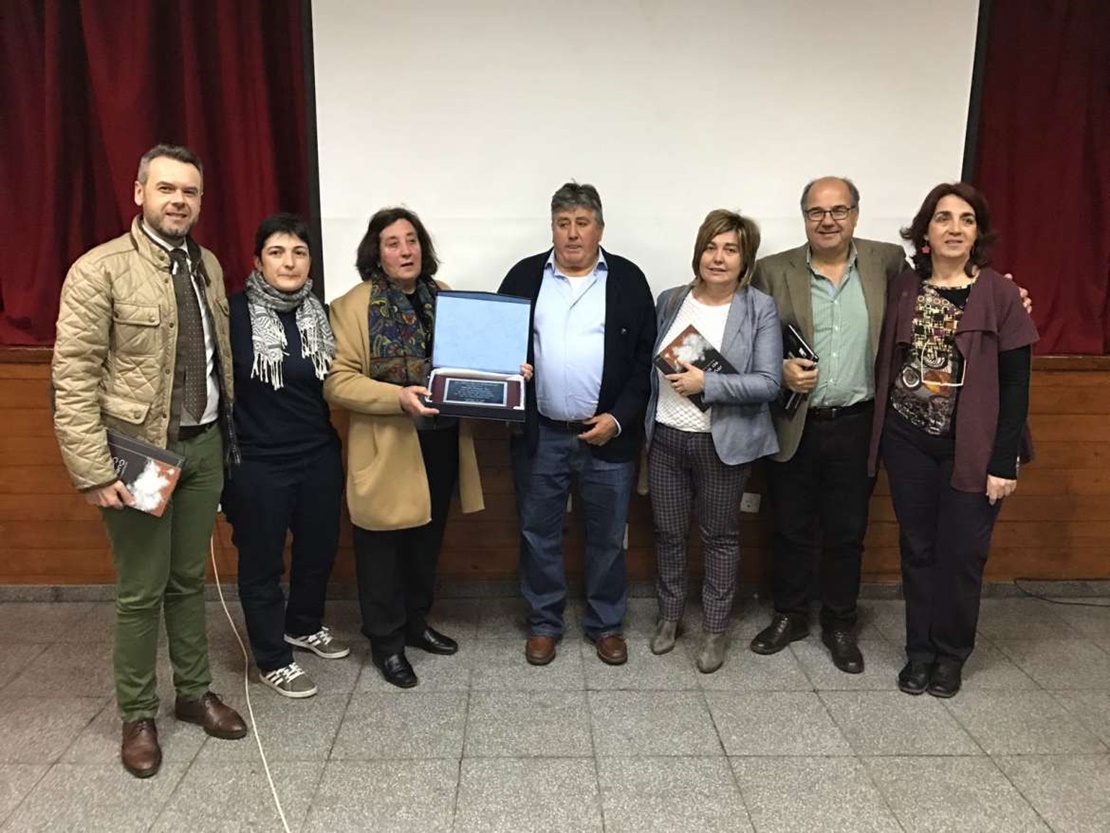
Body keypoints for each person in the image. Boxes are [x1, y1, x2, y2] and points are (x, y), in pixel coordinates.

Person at [52, 144, 247, 778]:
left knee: (188, 581)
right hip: (137, 453)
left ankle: (193, 694)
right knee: (141, 590)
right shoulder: (98, 270)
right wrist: (93, 470)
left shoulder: (209, 266)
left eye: (189, 192)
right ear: (139, 192)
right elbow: (73, 377)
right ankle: (138, 714)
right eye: (166, 189)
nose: (178, 201)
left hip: (204, 445)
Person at [869, 183, 1036, 698]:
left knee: (963, 554)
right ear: (925, 231)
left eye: (966, 220)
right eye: (943, 218)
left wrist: (1004, 460)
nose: (955, 228)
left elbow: (1015, 383)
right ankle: (918, 653)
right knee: (917, 549)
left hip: (976, 446)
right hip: (909, 441)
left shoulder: (1002, 294)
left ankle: (951, 655)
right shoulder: (903, 287)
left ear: (978, 233)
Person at [324, 207, 489, 688]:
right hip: (388, 444)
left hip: (439, 443)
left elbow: (471, 364)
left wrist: (505, 371)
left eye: (412, 240)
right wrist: (395, 398)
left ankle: (415, 623)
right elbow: (337, 383)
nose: (405, 250)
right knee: (381, 548)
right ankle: (385, 642)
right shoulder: (352, 306)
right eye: (393, 242)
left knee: (426, 542)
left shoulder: (445, 298)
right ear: (376, 251)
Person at [749, 177, 908, 674]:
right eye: (817, 212)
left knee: (847, 531)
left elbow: (949, 286)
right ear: (804, 218)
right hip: (795, 421)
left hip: (859, 422)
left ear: (856, 215)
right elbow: (746, 338)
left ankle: (840, 622)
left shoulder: (888, 262)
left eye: (839, 210)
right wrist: (777, 370)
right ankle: (791, 614)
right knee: (790, 527)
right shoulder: (771, 271)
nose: (828, 220)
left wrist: (1010, 290)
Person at [499, 182, 656, 667]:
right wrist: (511, 369)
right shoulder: (524, 276)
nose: (572, 234)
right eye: (563, 223)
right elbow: (497, 348)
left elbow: (643, 364)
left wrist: (617, 418)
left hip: (607, 435)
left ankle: (605, 624)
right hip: (541, 432)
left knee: (608, 536)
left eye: (582, 223)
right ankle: (544, 623)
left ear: (599, 229)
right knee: (537, 532)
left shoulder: (628, 279)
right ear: (552, 228)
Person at [644, 209, 782, 673]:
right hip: (665, 436)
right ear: (698, 251)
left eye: (730, 250)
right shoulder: (671, 300)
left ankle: (716, 629)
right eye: (711, 247)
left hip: (721, 444)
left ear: (745, 261)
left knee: (720, 536)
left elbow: (767, 384)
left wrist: (710, 385)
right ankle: (669, 617)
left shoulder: (758, 307)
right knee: (667, 534)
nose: (718, 258)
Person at [221, 213, 349, 699]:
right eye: (277, 252)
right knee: (262, 564)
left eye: (298, 252)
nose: (289, 262)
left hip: (317, 453)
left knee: (319, 548)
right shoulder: (232, 314)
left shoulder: (322, 314)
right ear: (257, 261)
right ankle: (273, 656)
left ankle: (304, 624)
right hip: (256, 463)